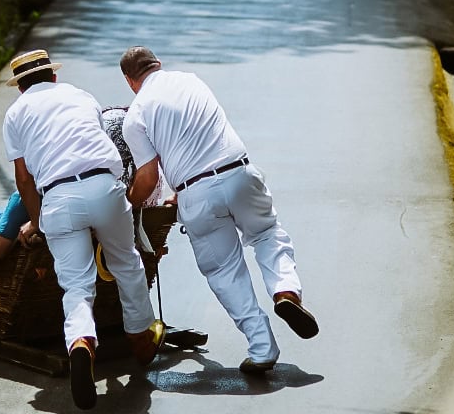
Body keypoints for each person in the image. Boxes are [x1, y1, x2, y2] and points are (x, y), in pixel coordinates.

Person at [118, 46, 318, 376]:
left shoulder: (136, 114)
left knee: (225, 271)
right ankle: (286, 291)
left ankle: (262, 348)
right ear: (158, 65)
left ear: (130, 80)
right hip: (238, 172)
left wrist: (129, 204)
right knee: (267, 234)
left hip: (195, 194)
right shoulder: (191, 81)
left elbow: (148, 176)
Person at [3, 49, 164, 410]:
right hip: (104, 187)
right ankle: (140, 339)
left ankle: (80, 342)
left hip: (58, 197)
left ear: (20, 87)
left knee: (76, 285)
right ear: (53, 77)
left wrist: (40, 221)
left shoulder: (15, 114)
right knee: (126, 262)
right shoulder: (80, 96)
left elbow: (25, 179)